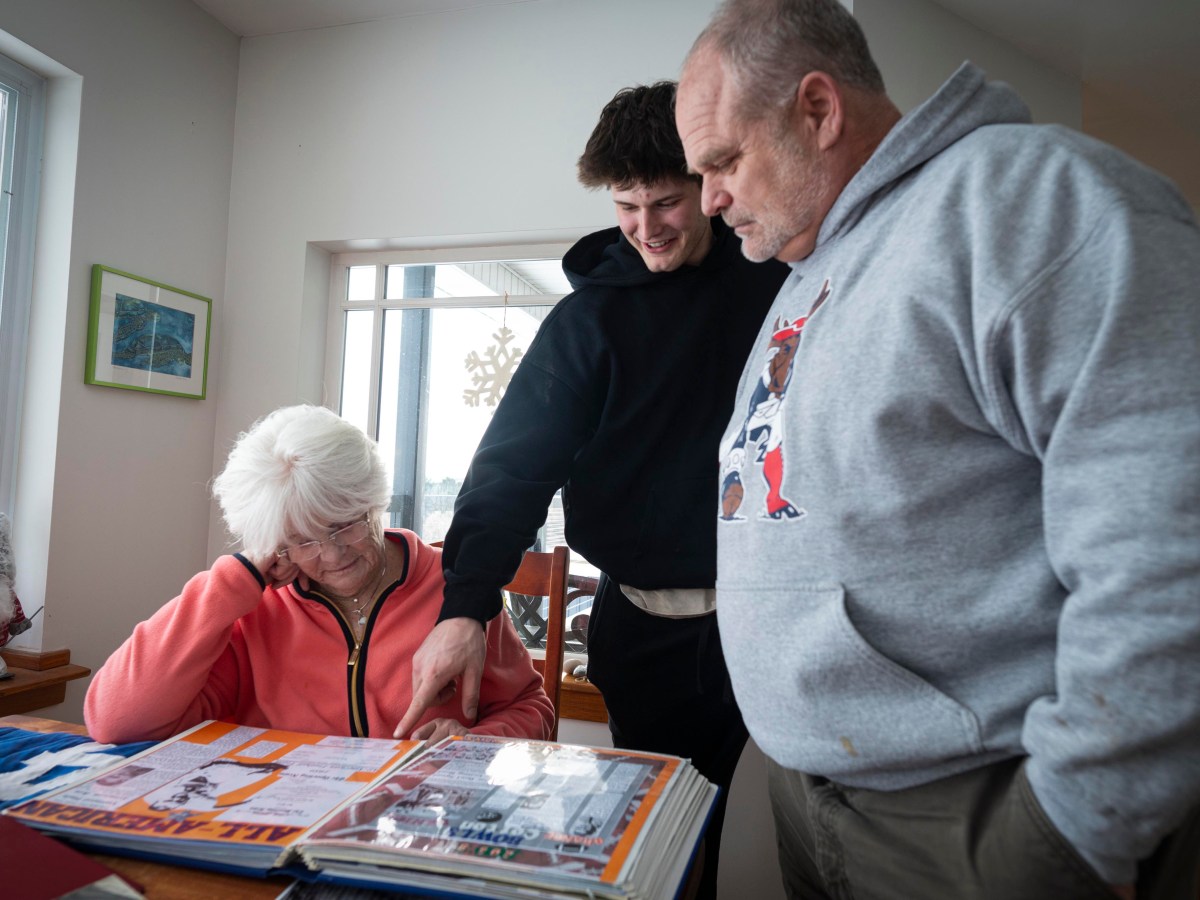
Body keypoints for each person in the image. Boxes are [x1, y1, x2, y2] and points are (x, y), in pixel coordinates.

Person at [674, 1, 1200, 898]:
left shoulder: (1029, 200)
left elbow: (1170, 538)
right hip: (823, 795)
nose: (709, 197)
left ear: (817, 110)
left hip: (982, 816)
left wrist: (1076, 824)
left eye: (723, 160)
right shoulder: (812, 269)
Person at [395, 82, 790, 898]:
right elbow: (512, 470)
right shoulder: (587, 324)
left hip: (782, 612)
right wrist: (465, 606)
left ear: (712, 190)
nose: (647, 228)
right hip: (646, 628)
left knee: (823, 822)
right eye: (626, 205)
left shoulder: (780, 285)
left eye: (667, 202)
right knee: (668, 843)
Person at [85, 404, 553, 745]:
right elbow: (116, 721)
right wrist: (234, 580)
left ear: (372, 501)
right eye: (302, 539)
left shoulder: (459, 591)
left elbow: (532, 708)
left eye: (342, 525)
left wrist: (475, 745)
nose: (330, 555)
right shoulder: (251, 608)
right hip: (275, 832)